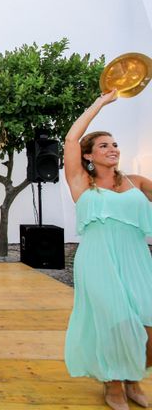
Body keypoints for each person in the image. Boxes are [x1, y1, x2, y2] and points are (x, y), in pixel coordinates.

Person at [63, 89, 152, 410]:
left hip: (137, 258)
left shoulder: (138, 182)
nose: (112, 149)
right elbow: (71, 141)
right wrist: (99, 103)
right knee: (116, 320)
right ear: (89, 155)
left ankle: (132, 377)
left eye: (114, 144)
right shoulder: (81, 183)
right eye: (103, 145)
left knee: (147, 321)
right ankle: (114, 385)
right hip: (99, 259)